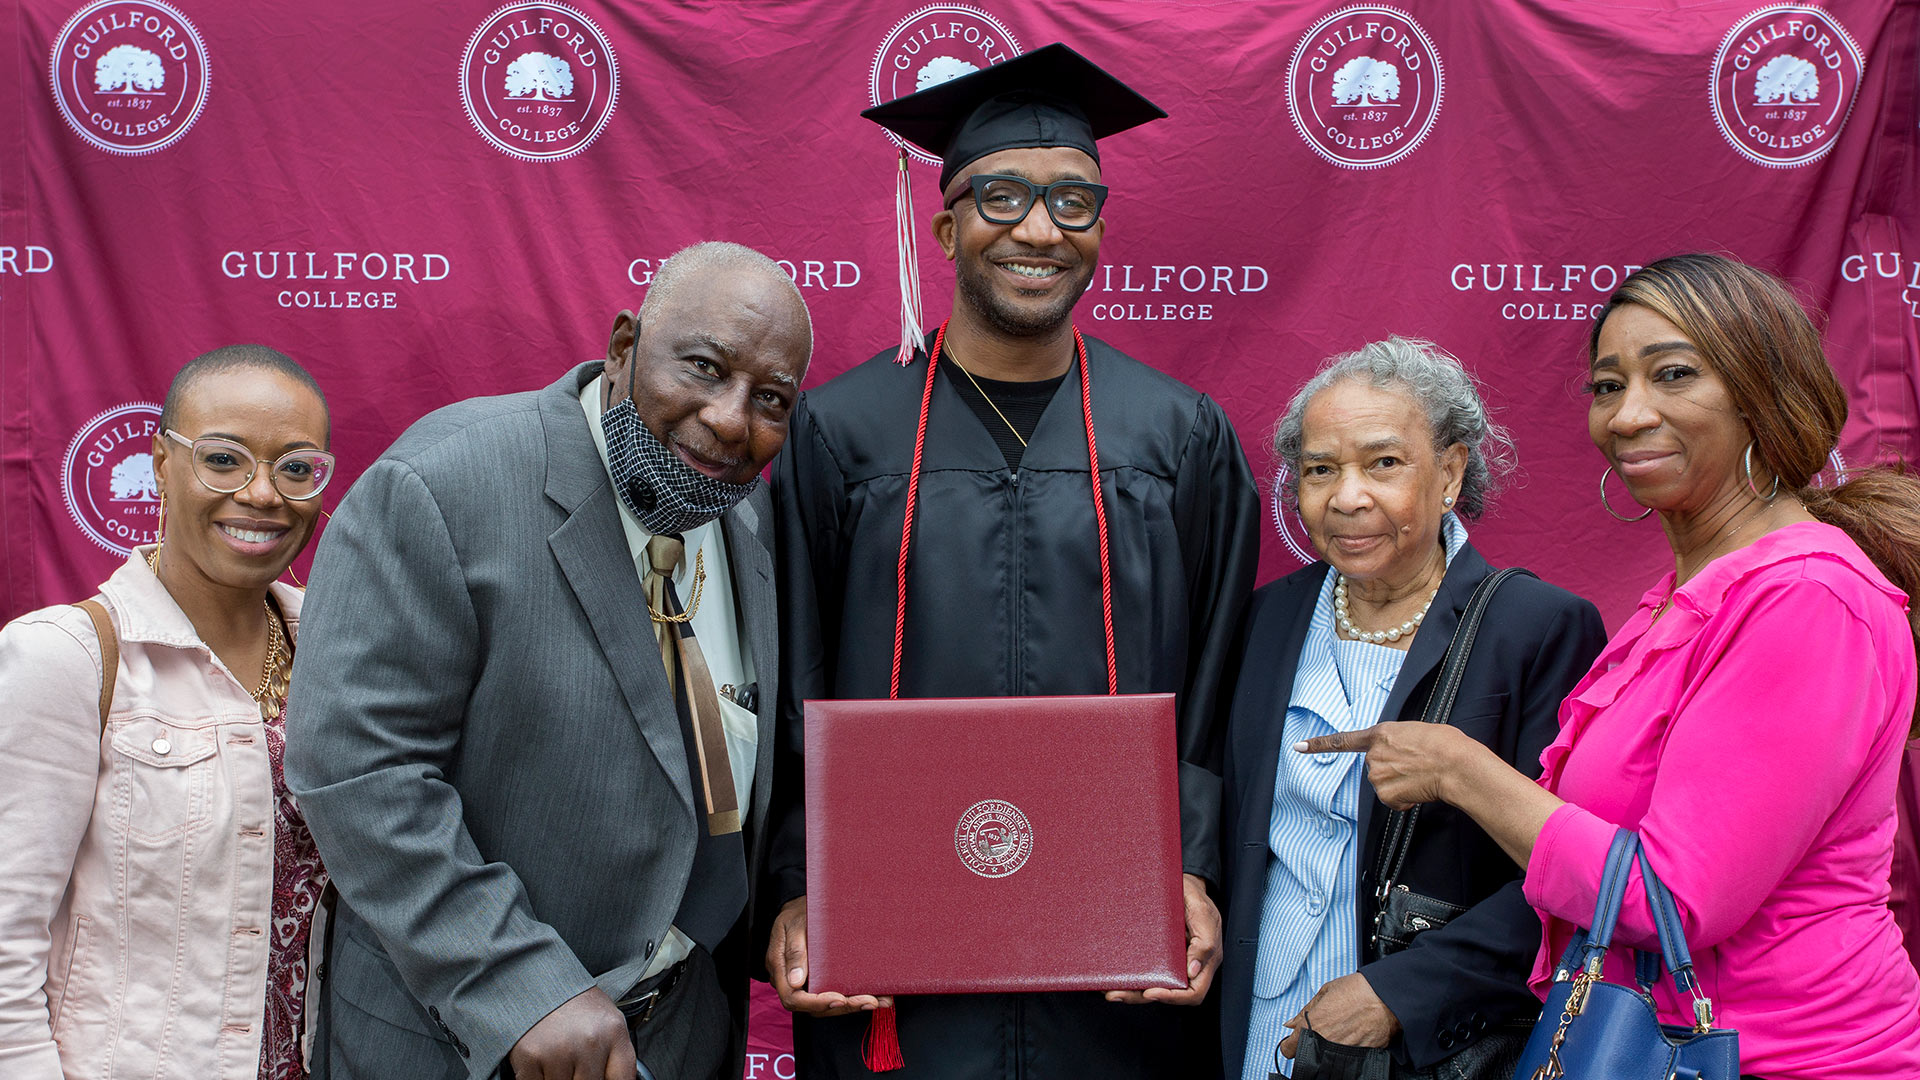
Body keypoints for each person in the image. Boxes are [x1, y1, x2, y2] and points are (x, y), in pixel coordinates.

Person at [764, 43, 1260, 1079]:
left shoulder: (1179, 438)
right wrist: (798, 886)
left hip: (1120, 958)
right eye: (1002, 196)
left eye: (1074, 202)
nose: (1040, 228)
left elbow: (1217, 680)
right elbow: (788, 675)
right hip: (895, 958)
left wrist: (1195, 867)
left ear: (1102, 230)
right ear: (944, 227)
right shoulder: (840, 435)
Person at [1297, 255, 1920, 1079]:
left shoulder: (1807, 600)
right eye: (1605, 386)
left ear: (1761, 389)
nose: (1628, 415)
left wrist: (1457, 768)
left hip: (1777, 1058)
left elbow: (1664, 901)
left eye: (1673, 375)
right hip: (1631, 1047)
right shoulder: (1685, 597)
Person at [284, 242, 812, 1080]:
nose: (729, 419)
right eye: (705, 368)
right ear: (624, 345)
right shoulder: (444, 482)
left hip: (682, 1035)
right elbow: (357, 768)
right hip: (463, 1042)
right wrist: (515, 985)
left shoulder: (743, 524)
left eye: (772, 400)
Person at [1217, 337, 1606, 1079]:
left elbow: (1565, 867)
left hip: (1419, 1035)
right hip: (1260, 1013)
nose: (1347, 496)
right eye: (1320, 470)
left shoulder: (1536, 626)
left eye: (1383, 464)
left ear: (1451, 472)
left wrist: (1397, 994)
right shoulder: (1266, 618)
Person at [0, 345, 334, 1080]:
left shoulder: (337, 655)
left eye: (297, 468)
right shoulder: (68, 658)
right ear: (158, 462)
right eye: (223, 459)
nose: (262, 494)